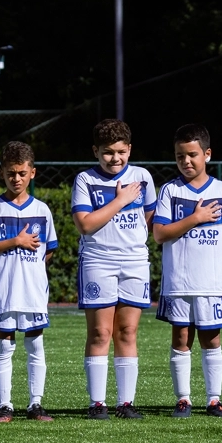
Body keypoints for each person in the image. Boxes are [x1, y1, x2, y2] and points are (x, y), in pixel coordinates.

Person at [71, 119, 156, 419]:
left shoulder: (142, 177)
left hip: (134, 262)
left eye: (121, 151)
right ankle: (97, 404)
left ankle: (126, 403)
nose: (115, 158)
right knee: (99, 333)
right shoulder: (85, 180)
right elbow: (85, 224)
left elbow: (149, 219)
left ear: (130, 149)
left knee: (128, 331)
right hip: (98, 261)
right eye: (107, 152)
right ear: (96, 151)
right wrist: (120, 200)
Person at [154, 124, 222, 418]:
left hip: (212, 282)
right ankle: (184, 399)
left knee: (211, 339)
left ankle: (214, 399)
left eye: (192, 155)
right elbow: (160, 234)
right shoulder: (169, 190)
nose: (186, 161)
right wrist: (196, 218)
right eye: (180, 156)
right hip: (179, 282)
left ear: (207, 154)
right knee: (181, 338)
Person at [0, 141, 58, 423]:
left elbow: (49, 251)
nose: (17, 179)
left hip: (32, 290)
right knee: (5, 344)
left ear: (32, 173)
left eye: (22, 173)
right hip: (5, 289)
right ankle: (5, 405)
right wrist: (15, 242)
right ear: (2, 173)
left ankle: (36, 404)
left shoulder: (42, 210)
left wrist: (31, 271)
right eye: (11, 173)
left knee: (35, 344)